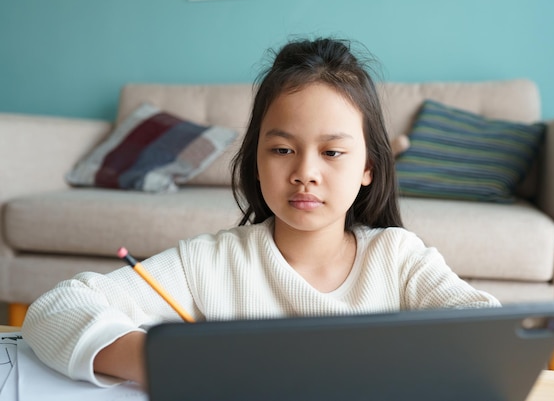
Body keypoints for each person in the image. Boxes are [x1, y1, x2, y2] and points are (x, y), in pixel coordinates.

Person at [22, 37, 500, 388]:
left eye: (332, 153)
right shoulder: (208, 264)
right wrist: (174, 364)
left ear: (369, 167)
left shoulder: (399, 258)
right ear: (256, 158)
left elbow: (492, 339)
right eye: (282, 150)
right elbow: (54, 311)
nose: (305, 173)